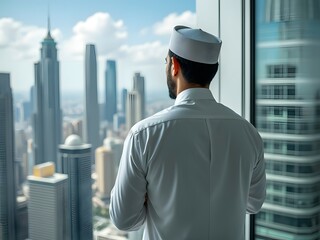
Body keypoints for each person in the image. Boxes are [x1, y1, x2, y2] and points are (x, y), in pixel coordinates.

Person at [109, 25, 266, 240]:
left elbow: (123, 219)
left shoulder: (144, 135)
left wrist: (150, 199)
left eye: (166, 62)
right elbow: (253, 204)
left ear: (174, 66)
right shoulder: (248, 133)